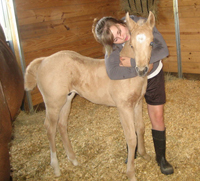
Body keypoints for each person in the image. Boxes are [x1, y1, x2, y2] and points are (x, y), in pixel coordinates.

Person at [92, 13, 174, 175]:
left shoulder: (141, 23)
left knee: (157, 116)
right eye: (116, 39)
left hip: (152, 73)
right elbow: (113, 72)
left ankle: (161, 158)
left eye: (119, 31)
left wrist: (138, 63)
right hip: (131, 77)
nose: (122, 37)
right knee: (130, 110)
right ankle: (134, 149)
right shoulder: (113, 44)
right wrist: (136, 67)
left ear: (119, 22)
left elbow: (162, 49)